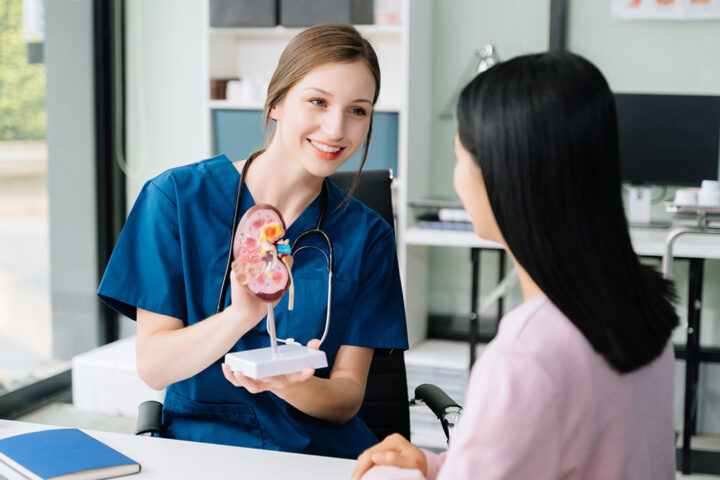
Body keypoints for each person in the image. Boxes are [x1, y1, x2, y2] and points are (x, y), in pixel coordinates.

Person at [352, 51, 679, 479]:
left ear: (503, 173)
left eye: (458, 158)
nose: (456, 179)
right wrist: (440, 466)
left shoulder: (527, 355)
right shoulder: (641, 309)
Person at [97, 23, 407, 459]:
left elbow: (347, 397)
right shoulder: (175, 200)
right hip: (204, 451)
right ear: (277, 102)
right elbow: (154, 367)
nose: (336, 128)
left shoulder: (368, 234)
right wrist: (239, 317)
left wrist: (289, 386)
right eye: (317, 101)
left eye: (358, 110)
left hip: (319, 456)